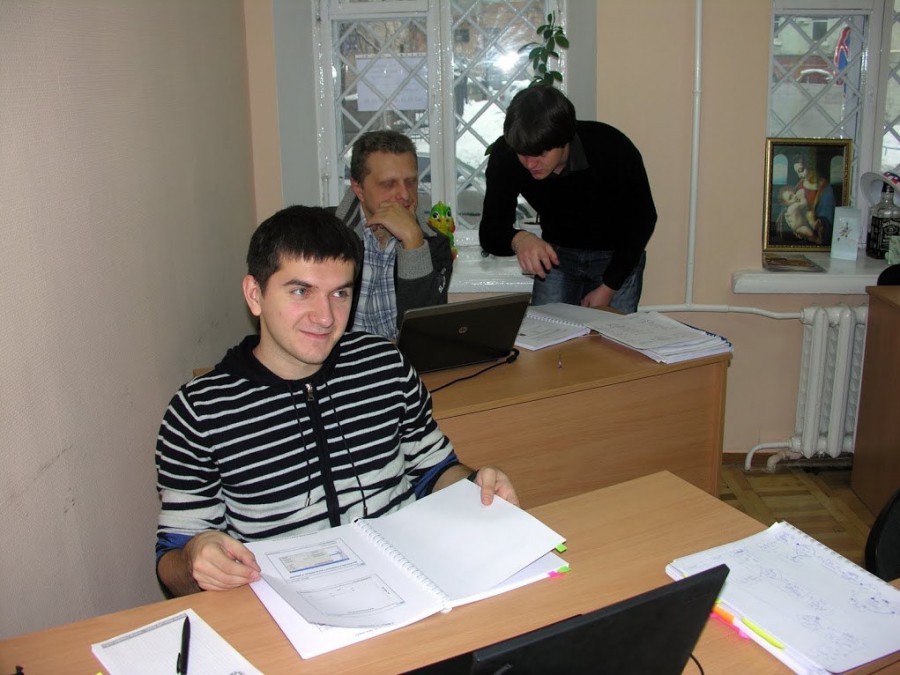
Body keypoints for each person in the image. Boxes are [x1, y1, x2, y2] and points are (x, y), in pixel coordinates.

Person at [155, 206, 515, 597]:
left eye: (340, 293)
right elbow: (173, 560)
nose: (325, 317)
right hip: (287, 605)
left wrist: (475, 485)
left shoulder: (385, 365)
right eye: (301, 291)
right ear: (255, 295)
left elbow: (434, 470)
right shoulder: (200, 411)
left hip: (411, 583)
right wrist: (195, 558)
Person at [479, 86, 656, 313]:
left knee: (612, 335)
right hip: (557, 256)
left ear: (565, 140)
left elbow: (643, 220)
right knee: (545, 331)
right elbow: (490, 231)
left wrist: (609, 286)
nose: (530, 164)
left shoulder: (612, 148)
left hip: (617, 256)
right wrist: (520, 239)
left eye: (541, 154)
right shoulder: (507, 154)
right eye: (523, 154)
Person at [334, 130, 453, 340]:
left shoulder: (435, 244)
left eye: (411, 182)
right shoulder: (325, 237)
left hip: (402, 357)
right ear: (358, 188)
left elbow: (426, 335)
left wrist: (414, 242)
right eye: (389, 184)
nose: (405, 195)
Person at [790, 151, 835, 245]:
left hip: (816, 232)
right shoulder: (799, 185)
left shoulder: (825, 188)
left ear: (810, 166)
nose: (799, 175)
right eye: (797, 172)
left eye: (801, 170)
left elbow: (828, 216)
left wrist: (819, 222)